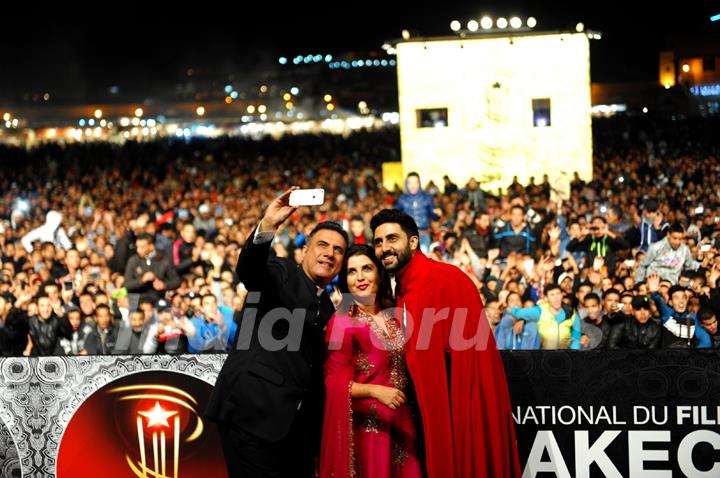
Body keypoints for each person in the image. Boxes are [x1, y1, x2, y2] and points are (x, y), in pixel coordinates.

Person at [205, 187, 348, 478]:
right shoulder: (281, 271)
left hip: (293, 435)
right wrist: (268, 225)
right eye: (322, 245)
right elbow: (250, 268)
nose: (329, 253)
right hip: (251, 416)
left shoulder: (330, 310)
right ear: (305, 249)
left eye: (338, 250)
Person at [370, 209, 520, 478]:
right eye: (378, 242)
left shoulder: (445, 279)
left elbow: (472, 363)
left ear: (413, 241)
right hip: (427, 413)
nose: (384, 248)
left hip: (459, 411)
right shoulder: (402, 288)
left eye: (392, 238)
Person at [320, 244, 422, 478]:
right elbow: (333, 383)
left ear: (379, 272)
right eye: (352, 271)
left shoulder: (393, 311)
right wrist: (376, 391)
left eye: (367, 268)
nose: (360, 277)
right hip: (370, 429)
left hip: (403, 422)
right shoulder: (342, 321)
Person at [508, 284, 583, 350]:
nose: (556, 297)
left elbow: (576, 337)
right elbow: (518, 312)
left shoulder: (570, 312)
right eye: (552, 295)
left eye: (558, 294)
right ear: (546, 298)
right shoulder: (540, 310)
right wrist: (522, 319)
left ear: (562, 295)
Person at [124, 232, 181, 303]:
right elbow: (127, 285)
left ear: (151, 246)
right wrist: (142, 280)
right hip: (136, 299)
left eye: (142, 247)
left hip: (157, 298)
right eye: (137, 247)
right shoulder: (133, 261)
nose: (138, 250)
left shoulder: (163, 259)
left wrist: (164, 285)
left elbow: (176, 280)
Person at [635, 222, 700, 284]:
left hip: (673, 284)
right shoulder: (655, 247)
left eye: (680, 239)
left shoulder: (685, 250)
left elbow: (690, 266)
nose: (677, 242)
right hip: (654, 282)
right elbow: (643, 266)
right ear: (668, 235)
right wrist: (639, 283)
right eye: (674, 238)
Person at [394, 172, 441, 254]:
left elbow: (434, 217)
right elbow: (395, 217)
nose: (413, 186)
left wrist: (438, 214)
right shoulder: (402, 199)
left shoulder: (427, 198)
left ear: (419, 183)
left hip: (423, 236)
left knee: (423, 263)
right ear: (406, 184)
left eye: (415, 182)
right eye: (410, 183)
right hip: (407, 236)